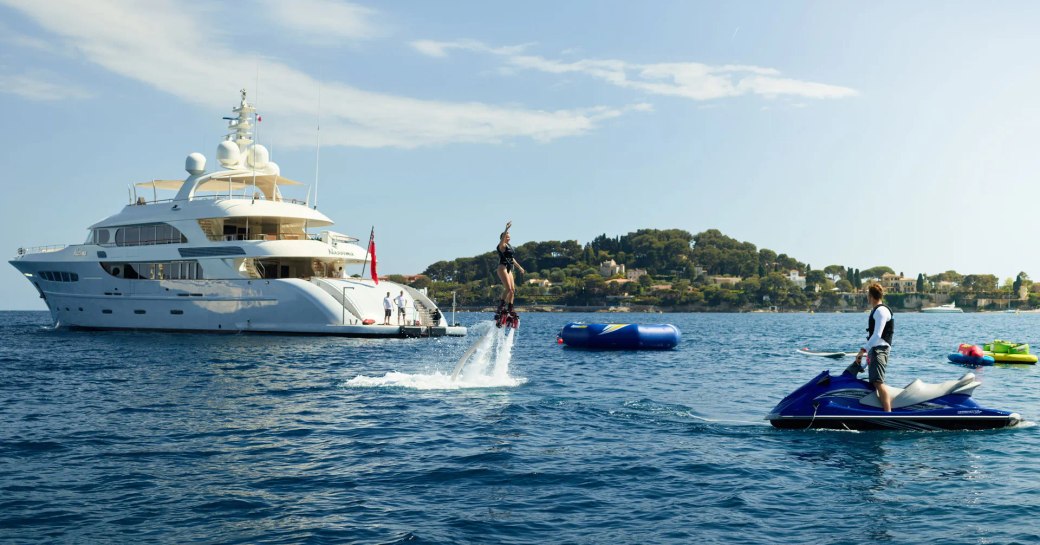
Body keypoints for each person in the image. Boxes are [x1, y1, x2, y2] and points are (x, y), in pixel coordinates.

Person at [846, 282, 895, 412]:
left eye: (868, 295)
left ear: (870, 296)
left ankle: (888, 415)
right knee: (873, 382)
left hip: (880, 350)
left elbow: (877, 335)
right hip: (876, 350)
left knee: (878, 382)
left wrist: (863, 350)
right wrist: (865, 362)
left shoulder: (881, 311)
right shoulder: (878, 310)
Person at [495, 221, 526, 321]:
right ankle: (501, 306)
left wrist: (519, 267)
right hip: (502, 268)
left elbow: (512, 259)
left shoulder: (509, 247)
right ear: (503, 237)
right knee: (508, 289)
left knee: (512, 290)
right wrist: (506, 229)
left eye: (509, 236)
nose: (509, 237)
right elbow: (503, 239)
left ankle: (510, 308)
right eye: (507, 236)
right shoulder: (501, 246)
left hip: (509, 269)